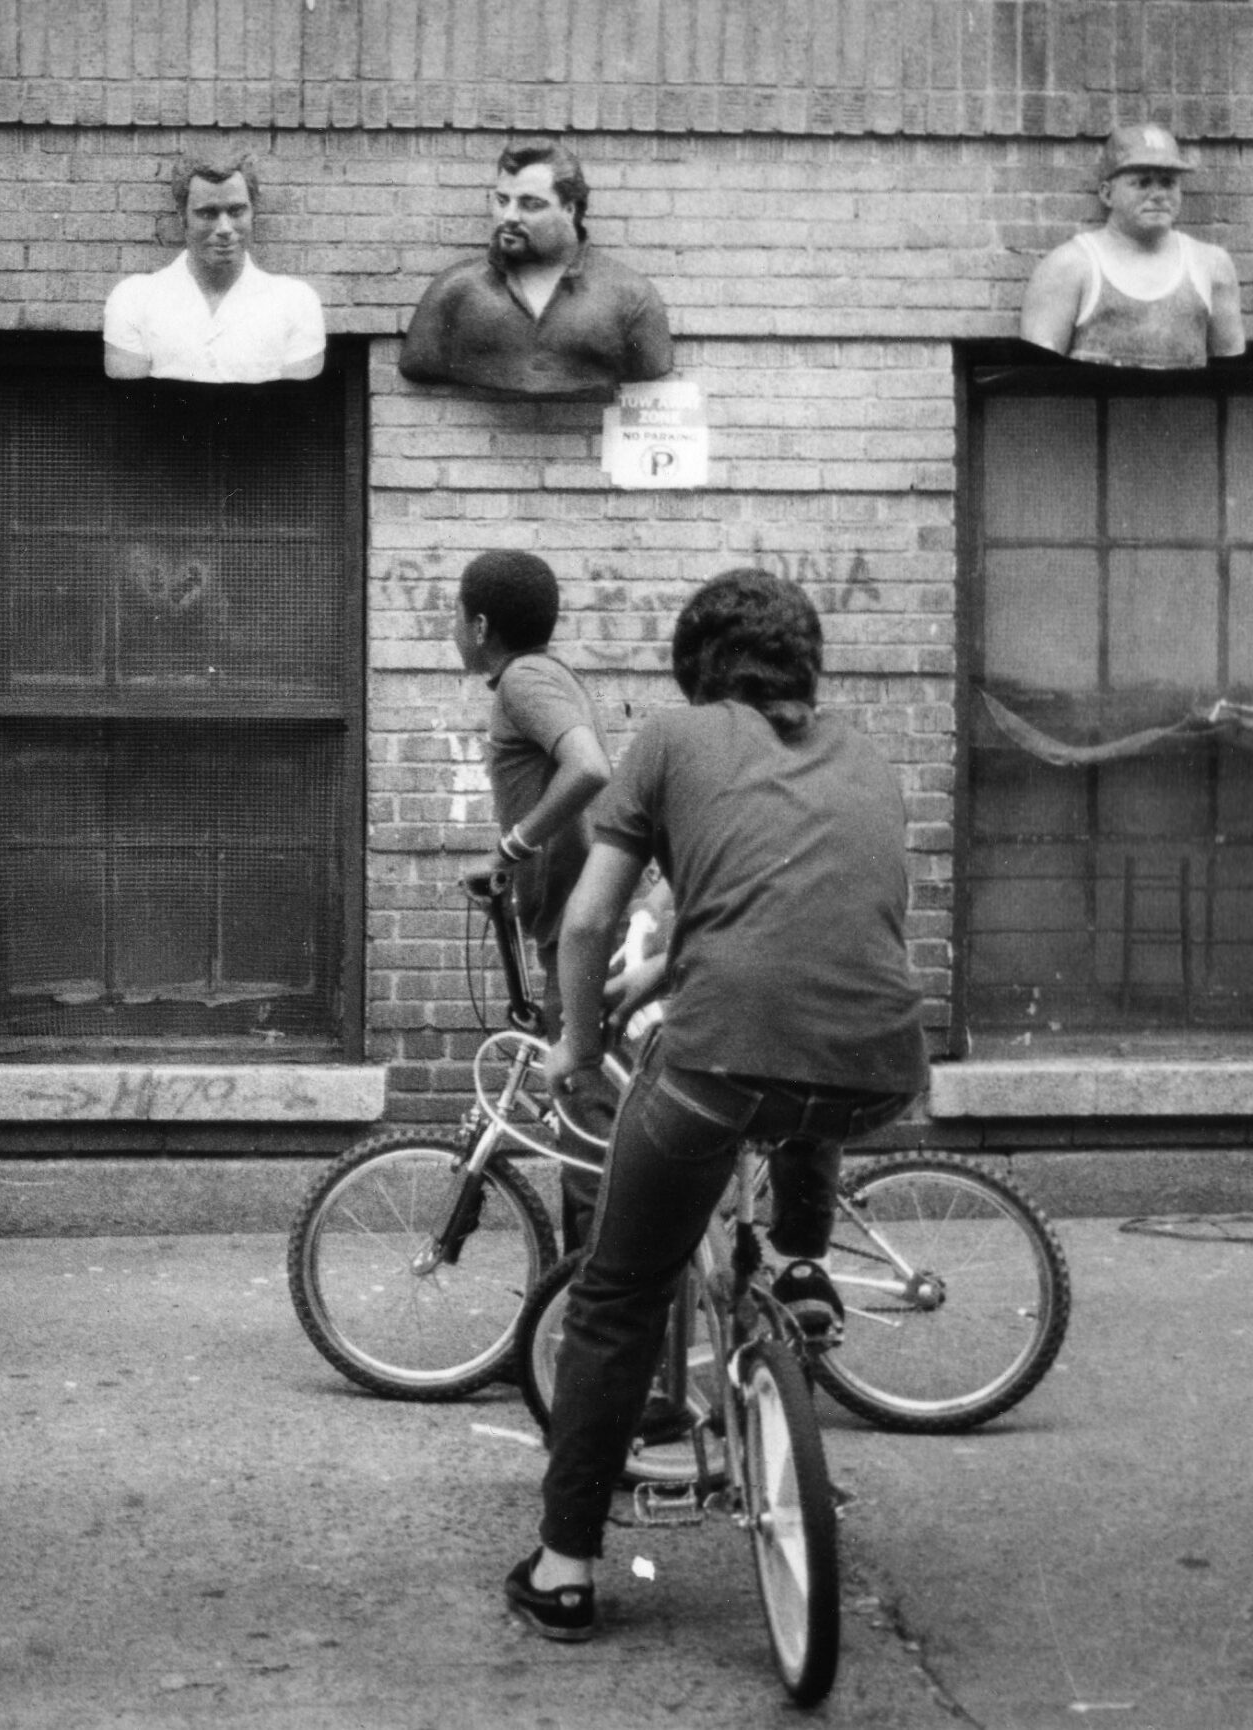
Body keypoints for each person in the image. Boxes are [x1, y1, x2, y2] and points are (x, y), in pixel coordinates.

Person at [506, 568, 928, 1643]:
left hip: (720, 1058)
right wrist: (663, 976)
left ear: (695, 666)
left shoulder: (668, 737)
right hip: (878, 1059)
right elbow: (791, 913)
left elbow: (590, 920)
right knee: (805, 1089)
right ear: (807, 661)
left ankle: (561, 1566)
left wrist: (578, 1038)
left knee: (617, 1296)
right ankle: (796, 1254)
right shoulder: (867, 752)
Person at [451, 550, 611, 1247]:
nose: (451, 628)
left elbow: (589, 769)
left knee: (587, 1136)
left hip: (586, 930)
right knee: (588, 1120)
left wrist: (510, 849)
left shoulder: (524, 679)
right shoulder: (542, 677)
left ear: (480, 624)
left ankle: (595, 1321)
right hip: (570, 923)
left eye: (455, 615)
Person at [400, 142, 670, 399]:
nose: (509, 217)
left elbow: (652, 366)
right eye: (502, 200)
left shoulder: (631, 296)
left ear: (569, 209)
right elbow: (419, 363)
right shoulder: (453, 291)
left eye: (531, 204)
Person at [1020, 122, 1246, 370]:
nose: (1158, 194)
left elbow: (1232, 383)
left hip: (1184, 409)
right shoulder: (1070, 266)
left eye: (1168, 182)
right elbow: (1038, 383)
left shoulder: (1212, 266)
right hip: (1095, 408)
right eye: (1142, 182)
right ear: (1107, 194)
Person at [102, 154, 326, 384]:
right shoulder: (132, 298)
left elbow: (297, 410)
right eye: (208, 213)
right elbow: (130, 409)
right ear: (182, 218)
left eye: (236, 211)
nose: (224, 228)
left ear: (252, 214)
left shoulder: (297, 302)